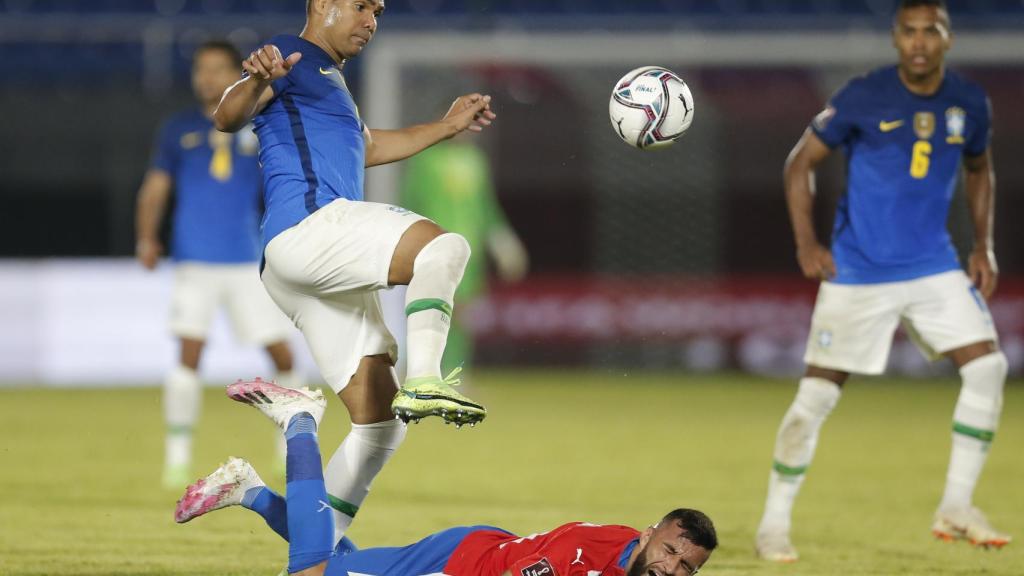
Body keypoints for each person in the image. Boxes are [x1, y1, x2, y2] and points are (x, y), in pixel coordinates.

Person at [211, 0, 497, 548]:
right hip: (313, 227)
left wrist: (447, 125)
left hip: (293, 268)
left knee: (378, 425)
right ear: (324, 5)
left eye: (379, 12)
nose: (372, 20)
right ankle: (427, 378)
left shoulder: (331, 82)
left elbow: (367, 146)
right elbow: (227, 115)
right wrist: (253, 79)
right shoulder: (291, 54)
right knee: (445, 248)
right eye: (363, 5)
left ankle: (307, 547)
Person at [755, 0, 1010, 561]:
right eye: (909, 32)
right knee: (814, 399)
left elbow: (978, 167)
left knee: (989, 366)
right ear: (896, 40)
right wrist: (806, 243)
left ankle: (956, 504)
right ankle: (773, 523)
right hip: (859, 271)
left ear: (947, 40)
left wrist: (983, 244)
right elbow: (800, 163)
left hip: (932, 266)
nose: (919, 42)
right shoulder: (862, 96)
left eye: (931, 32)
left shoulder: (968, 101)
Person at [175, 379, 718, 576]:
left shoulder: (629, 563)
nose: (671, 568)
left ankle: (247, 489)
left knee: (336, 563)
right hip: (460, 565)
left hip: (476, 550)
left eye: (685, 567)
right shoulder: (581, 555)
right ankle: (299, 422)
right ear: (650, 533)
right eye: (670, 550)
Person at [135, 40, 302, 489]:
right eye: (200, 69)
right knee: (188, 355)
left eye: (216, 69)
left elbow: (282, 187)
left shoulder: (259, 122)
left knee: (281, 353)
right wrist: (147, 235)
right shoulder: (178, 129)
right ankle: (177, 455)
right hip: (194, 259)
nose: (206, 78)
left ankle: (290, 446)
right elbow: (155, 188)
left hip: (247, 260)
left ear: (236, 73)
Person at [400, 138, 528, 373]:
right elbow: (411, 200)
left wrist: (502, 240)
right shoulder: (426, 159)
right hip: (434, 244)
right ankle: (418, 371)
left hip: (470, 248)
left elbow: (486, 205)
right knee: (431, 308)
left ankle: (455, 373)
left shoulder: (475, 160)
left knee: (463, 313)